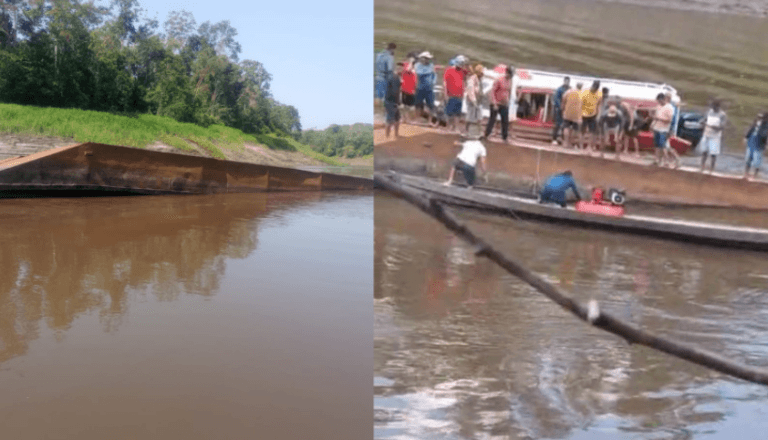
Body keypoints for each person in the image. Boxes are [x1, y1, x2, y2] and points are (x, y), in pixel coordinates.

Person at [483, 65, 514, 143]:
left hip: (504, 103)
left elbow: (508, 91)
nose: (510, 76)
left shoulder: (510, 81)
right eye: (509, 74)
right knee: (492, 119)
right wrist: (494, 103)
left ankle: (504, 137)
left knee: (505, 120)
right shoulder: (499, 79)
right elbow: (492, 91)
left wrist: (508, 99)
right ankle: (487, 134)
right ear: (506, 72)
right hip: (496, 102)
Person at [700, 99, 727, 173]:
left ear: (718, 107)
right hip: (706, 134)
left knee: (713, 154)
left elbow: (721, 127)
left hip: (715, 137)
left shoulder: (722, 115)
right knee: (704, 151)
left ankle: (711, 169)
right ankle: (702, 167)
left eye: (714, 107)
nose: (713, 108)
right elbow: (705, 120)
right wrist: (702, 122)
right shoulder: (709, 112)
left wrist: (711, 126)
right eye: (712, 107)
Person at [443, 55, 469, 134]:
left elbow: (469, 72)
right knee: (450, 113)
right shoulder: (449, 70)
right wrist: (445, 93)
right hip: (451, 94)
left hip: (459, 95)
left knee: (457, 113)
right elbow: (445, 83)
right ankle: (450, 126)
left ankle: (456, 127)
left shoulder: (462, 71)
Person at [651, 93, 675, 167]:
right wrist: (653, 121)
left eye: (660, 101)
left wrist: (659, 119)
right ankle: (656, 160)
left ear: (663, 100)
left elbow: (669, 120)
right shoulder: (658, 106)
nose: (659, 102)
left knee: (663, 146)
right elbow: (656, 116)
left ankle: (667, 161)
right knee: (656, 145)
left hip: (663, 129)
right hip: (657, 128)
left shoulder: (669, 107)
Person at [414, 52, 438, 127]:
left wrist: (433, 82)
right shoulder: (417, 65)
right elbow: (419, 73)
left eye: (428, 59)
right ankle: (417, 119)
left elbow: (435, 75)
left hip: (429, 89)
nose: (427, 60)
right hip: (420, 87)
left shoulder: (431, 66)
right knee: (418, 104)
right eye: (426, 58)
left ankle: (430, 121)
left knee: (431, 105)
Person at [580, 81, 602, 155]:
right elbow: (580, 104)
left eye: (596, 88)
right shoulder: (585, 92)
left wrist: (598, 115)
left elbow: (599, 104)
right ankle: (581, 146)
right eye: (593, 88)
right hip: (583, 114)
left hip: (593, 114)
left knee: (592, 131)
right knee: (582, 131)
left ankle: (589, 146)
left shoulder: (599, 94)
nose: (594, 90)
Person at [744, 112, 768, 179]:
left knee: (757, 161)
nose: (760, 119)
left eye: (762, 118)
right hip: (751, 142)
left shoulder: (766, 126)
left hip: (759, 144)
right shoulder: (755, 123)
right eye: (759, 117)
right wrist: (746, 137)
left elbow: (764, 135)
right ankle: (746, 173)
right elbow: (750, 130)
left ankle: (754, 175)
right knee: (748, 158)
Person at [561, 83, 583, 150]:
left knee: (566, 127)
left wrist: (563, 109)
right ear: (581, 87)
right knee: (574, 129)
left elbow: (563, 100)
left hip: (568, 112)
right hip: (577, 114)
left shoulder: (568, 91)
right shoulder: (582, 94)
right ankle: (570, 143)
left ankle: (565, 143)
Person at [384, 63, 403, 138]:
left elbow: (396, 90)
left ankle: (396, 134)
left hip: (393, 102)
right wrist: (397, 101)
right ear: (397, 69)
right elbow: (395, 91)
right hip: (391, 102)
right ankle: (387, 136)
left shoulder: (396, 77)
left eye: (402, 69)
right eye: (400, 68)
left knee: (397, 119)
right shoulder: (394, 77)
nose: (401, 70)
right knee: (390, 120)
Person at [664, 93, 682, 168]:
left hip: (667, 128)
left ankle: (672, 160)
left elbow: (671, 119)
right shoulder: (672, 106)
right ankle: (669, 161)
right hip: (668, 128)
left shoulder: (670, 107)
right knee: (665, 145)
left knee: (664, 146)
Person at [465, 64, 484, 132]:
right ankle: (467, 130)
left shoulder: (479, 80)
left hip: (478, 100)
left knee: (479, 117)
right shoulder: (472, 79)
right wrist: (474, 100)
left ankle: (478, 131)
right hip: (472, 101)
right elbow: (471, 91)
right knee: (470, 116)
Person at [551, 77, 570, 145]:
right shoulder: (559, 89)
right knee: (558, 124)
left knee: (565, 125)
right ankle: (554, 138)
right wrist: (561, 107)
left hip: (567, 110)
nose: (567, 83)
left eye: (568, 81)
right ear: (564, 81)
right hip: (560, 110)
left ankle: (562, 139)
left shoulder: (570, 89)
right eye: (566, 81)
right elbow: (556, 99)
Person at [400, 53, 417, 123]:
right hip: (405, 90)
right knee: (404, 106)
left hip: (412, 90)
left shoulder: (415, 69)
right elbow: (408, 70)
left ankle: (407, 119)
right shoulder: (406, 66)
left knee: (411, 107)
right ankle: (405, 119)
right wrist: (411, 62)